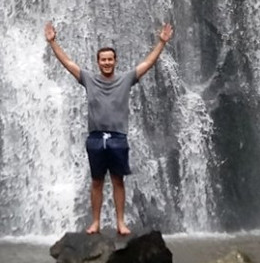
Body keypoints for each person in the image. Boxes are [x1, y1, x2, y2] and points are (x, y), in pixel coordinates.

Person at [44, 20, 173, 236]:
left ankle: (120, 222)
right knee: (96, 181)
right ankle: (95, 222)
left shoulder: (126, 79)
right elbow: (67, 62)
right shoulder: (88, 79)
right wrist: (52, 42)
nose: (106, 62)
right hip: (95, 138)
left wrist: (161, 42)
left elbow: (148, 63)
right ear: (98, 62)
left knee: (118, 180)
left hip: (118, 137)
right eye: (103, 59)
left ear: (115, 61)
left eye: (110, 59)